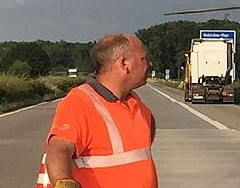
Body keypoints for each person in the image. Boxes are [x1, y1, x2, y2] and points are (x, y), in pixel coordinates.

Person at [38, 34, 158, 188]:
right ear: (124, 63)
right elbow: (58, 149)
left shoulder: (138, 106)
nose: (149, 64)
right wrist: (64, 181)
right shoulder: (80, 102)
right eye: (143, 59)